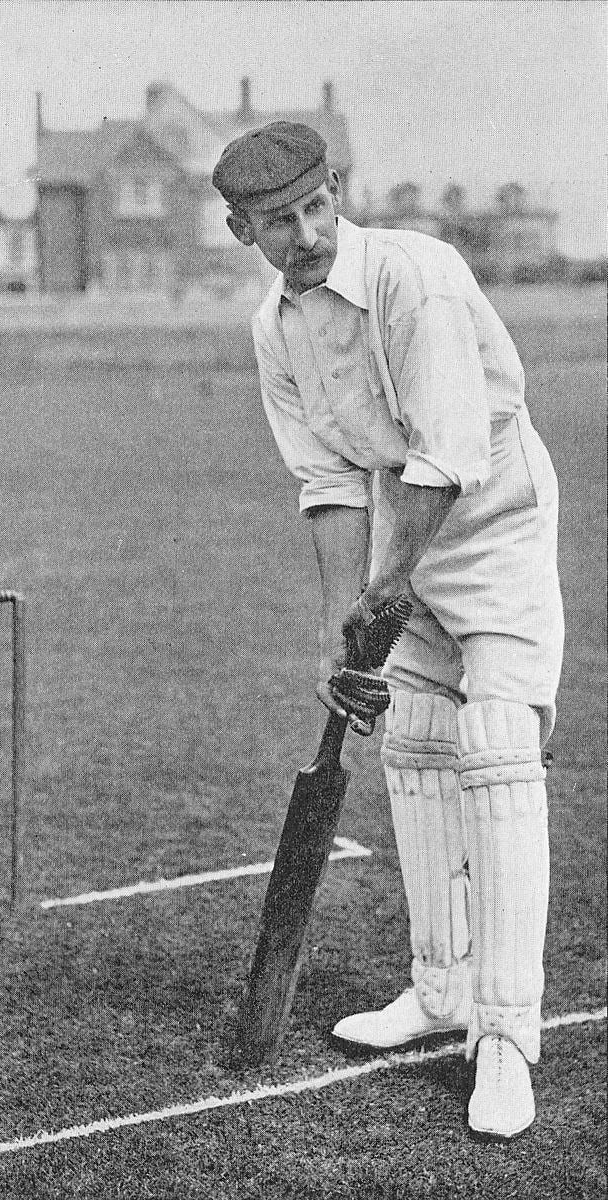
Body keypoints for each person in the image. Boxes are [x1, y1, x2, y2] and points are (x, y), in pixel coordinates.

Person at [212, 122, 563, 1139]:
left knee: (493, 754)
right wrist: (340, 630)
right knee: (410, 749)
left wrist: (391, 584)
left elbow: (448, 457)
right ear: (243, 231)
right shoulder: (275, 330)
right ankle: (440, 987)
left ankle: (502, 1036)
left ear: (336, 190)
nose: (308, 231)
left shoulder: (420, 277)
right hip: (393, 529)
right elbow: (328, 480)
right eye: (279, 221)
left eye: (317, 204)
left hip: (488, 525)